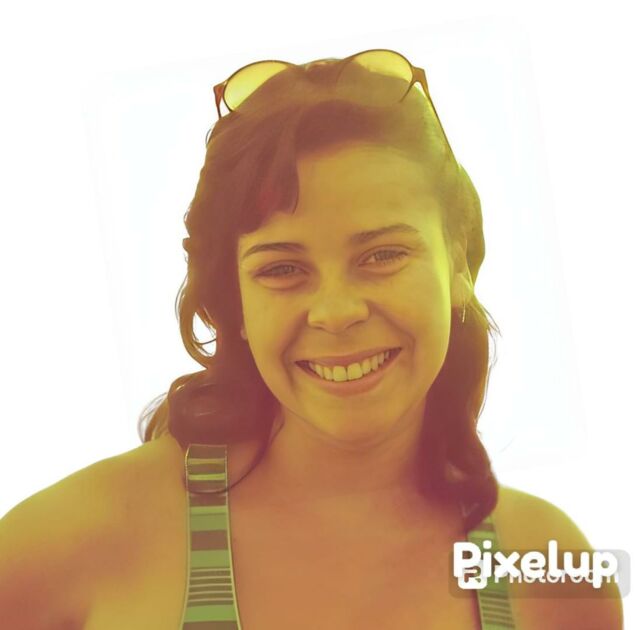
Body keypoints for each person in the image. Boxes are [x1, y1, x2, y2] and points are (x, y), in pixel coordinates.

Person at [0, 49, 622, 629]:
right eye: (282, 268)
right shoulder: (76, 542)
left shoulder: (550, 570)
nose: (336, 312)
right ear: (235, 304)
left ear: (458, 263)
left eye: (382, 255)